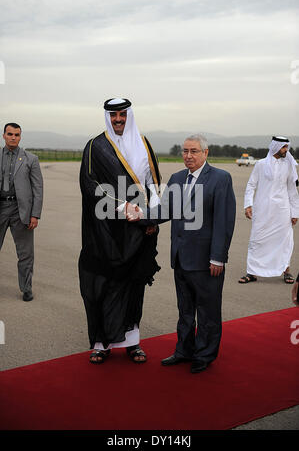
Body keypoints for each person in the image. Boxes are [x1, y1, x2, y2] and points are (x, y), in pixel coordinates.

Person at [126, 135, 236, 373]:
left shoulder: (220, 179)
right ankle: (184, 350)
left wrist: (218, 257)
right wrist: (139, 214)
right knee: (185, 310)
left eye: (194, 151)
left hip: (207, 261)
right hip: (181, 258)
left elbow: (224, 222)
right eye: (185, 151)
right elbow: (164, 210)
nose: (188, 156)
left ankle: (204, 355)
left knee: (207, 312)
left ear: (205, 153)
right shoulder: (176, 178)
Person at [79, 98, 161, 365]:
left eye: (123, 114)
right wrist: (122, 206)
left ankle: (132, 343)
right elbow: (89, 185)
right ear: (107, 116)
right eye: (113, 115)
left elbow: (153, 184)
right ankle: (102, 344)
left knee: (134, 287)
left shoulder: (144, 144)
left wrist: (153, 218)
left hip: (138, 231)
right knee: (103, 285)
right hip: (105, 232)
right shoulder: (95, 146)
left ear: (129, 115)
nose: (118, 119)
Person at [239, 136, 299, 285]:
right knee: (257, 240)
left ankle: (286, 270)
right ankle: (251, 272)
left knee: (284, 241)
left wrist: (295, 212)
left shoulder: (289, 165)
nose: (286, 150)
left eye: (287, 147)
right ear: (276, 147)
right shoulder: (260, 164)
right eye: (284, 147)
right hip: (262, 209)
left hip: (282, 210)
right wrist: (248, 205)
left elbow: (292, 190)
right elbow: (251, 185)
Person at [0, 123, 43, 301]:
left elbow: (38, 188)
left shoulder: (30, 159)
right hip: (1, 207)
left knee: (25, 254)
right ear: (3, 135)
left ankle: (26, 288)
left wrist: (35, 214)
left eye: (17, 135)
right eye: (10, 134)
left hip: (21, 211)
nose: (13, 137)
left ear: (20, 137)